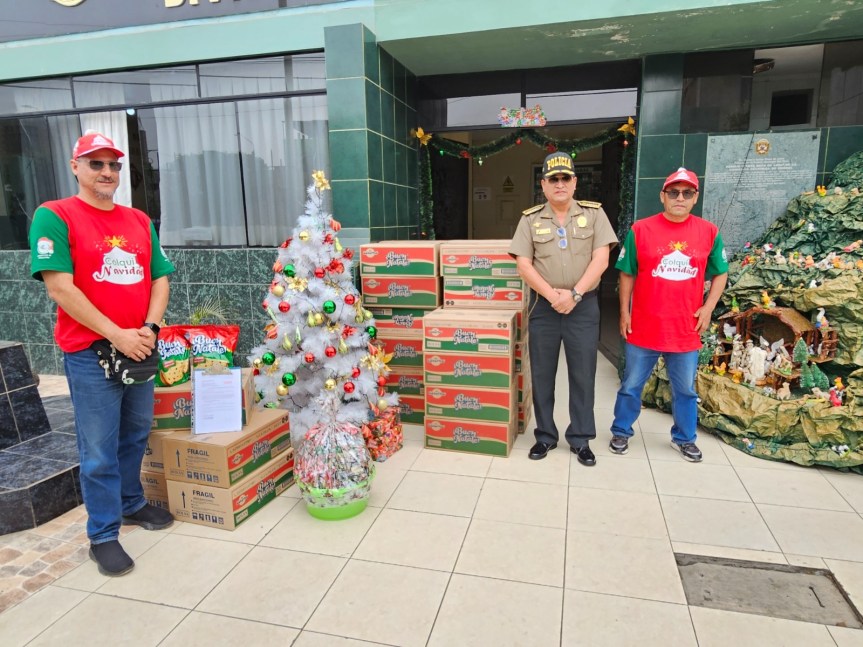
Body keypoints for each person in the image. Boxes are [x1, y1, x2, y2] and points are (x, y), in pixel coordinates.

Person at [29, 131, 175, 576]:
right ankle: (103, 535)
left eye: (113, 164)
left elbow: (159, 278)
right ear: (76, 167)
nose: (107, 172)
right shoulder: (54, 216)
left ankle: (132, 504)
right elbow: (59, 286)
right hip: (91, 354)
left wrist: (147, 329)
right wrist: (118, 335)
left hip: (139, 347)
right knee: (98, 450)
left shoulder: (138, 220)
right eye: (96, 164)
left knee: (134, 436)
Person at [609, 167, 728, 462]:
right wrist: (624, 312)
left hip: (685, 328)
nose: (680, 197)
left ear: (695, 197)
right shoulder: (641, 230)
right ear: (662, 196)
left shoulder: (709, 232)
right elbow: (627, 274)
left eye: (687, 192)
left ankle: (685, 438)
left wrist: (709, 306)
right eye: (673, 192)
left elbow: (721, 273)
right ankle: (621, 431)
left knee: (685, 390)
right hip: (645, 325)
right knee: (631, 385)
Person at [509, 152, 618, 465]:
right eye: (553, 179)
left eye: (565, 178)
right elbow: (523, 265)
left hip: (583, 307)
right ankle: (545, 436)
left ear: (574, 182)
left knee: (583, 374)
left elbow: (601, 259)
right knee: (542, 374)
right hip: (544, 308)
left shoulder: (595, 215)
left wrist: (574, 294)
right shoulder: (530, 219)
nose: (559, 184)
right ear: (543, 185)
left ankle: (581, 438)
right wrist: (554, 296)